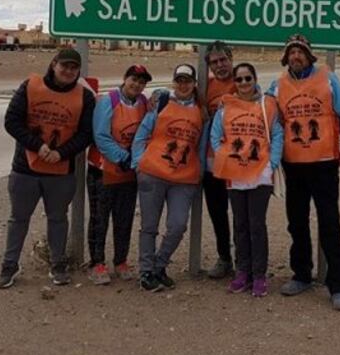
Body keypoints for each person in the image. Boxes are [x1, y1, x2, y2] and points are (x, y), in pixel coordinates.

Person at [267, 34, 340, 311]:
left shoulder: (328, 79)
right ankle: (302, 274)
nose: (296, 56)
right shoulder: (277, 85)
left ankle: (339, 285)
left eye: (301, 52)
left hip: (324, 163)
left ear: (309, 55)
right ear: (286, 58)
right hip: (293, 165)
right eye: (291, 52)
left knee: (330, 223)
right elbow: (261, 114)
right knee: (296, 222)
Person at [0, 48, 95, 289]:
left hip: (61, 171)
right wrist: (37, 146)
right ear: (54, 64)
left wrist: (62, 152)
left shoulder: (84, 96)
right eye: (65, 66)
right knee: (18, 218)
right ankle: (9, 265)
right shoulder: (30, 86)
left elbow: (86, 134)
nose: (68, 71)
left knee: (58, 219)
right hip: (25, 169)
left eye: (74, 68)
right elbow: (12, 121)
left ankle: (58, 264)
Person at [132, 64, 208, 292]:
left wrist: (199, 174)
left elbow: (201, 148)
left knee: (177, 225)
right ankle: (146, 271)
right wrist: (138, 164)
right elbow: (142, 135)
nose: (183, 85)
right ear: (175, 82)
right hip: (153, 173)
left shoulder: (201, 112)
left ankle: (159, 264)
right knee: (149, 227)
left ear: (194, 83)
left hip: (184, 179)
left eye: (187, 81)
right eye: (179, 80)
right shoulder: (162, 103)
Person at [210, 62, 283, 297]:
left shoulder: (268, 105)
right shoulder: (226, 107)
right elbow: (215, 136)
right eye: (239, 79)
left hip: (260, 174)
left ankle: (259, 274)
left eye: (247, 78)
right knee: (240, 224)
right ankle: (242, 271)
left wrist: (271, 163)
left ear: (254, 79)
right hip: (235, 174)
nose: (243, 83)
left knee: (256, 224)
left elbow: (278, 133)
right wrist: (225, 157)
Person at [88, 64, 152, 284]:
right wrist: (123, 157)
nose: (137, 85)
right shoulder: (109, 101)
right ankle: (97, 263)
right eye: (133, 79)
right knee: (100, 219)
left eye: (142, 82)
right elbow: (101, 136)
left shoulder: (144, 102)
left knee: (124, 218)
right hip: (104, 169)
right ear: (125, 79)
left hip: (130, 171)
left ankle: (121, 260)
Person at [202, 40, 237, 278]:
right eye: (214, 62)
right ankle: (225, 258)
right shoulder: (207, 86)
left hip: (240, 159)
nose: (220, 65)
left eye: (223, 60)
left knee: (243, 213)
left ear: (231, 58)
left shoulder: (244, 81)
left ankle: (246, 261)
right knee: (217, 211)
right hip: (212, 160)